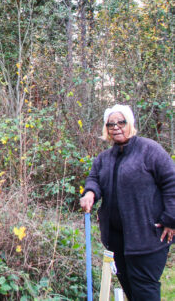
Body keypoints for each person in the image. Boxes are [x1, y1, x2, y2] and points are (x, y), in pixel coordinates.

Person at [80, 104, 175, 301]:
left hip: (147, 238)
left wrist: (170, 219)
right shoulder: (104, 159)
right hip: (117, 240)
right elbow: (94, 180)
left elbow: (171, 182)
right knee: (131, 290)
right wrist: (90, 193)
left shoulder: (150, 150)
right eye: (111, 124)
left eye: (121, 122)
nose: (116, 127)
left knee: (144, 290)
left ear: (130, 123)